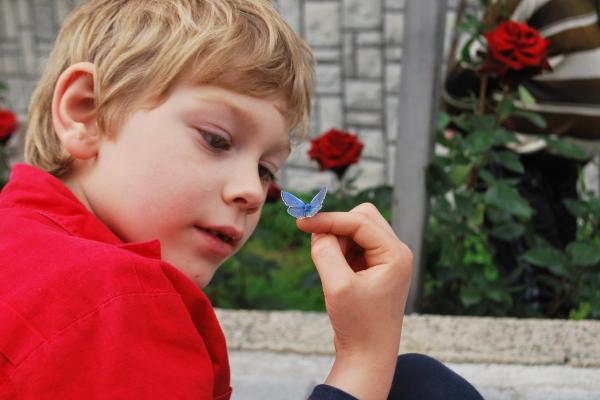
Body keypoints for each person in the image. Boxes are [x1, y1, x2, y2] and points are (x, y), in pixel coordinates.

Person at [0, 1, 483, 399]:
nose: (253, 192)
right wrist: (364, 356)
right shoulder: (111, 299)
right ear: (87, 111)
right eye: (216, 139)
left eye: (266, 169)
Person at [444, 0, 600, 310]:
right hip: (517, 159)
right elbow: (465, 79)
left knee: (559, 287)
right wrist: (470, 126)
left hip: (564, 166)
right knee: (534, 287)